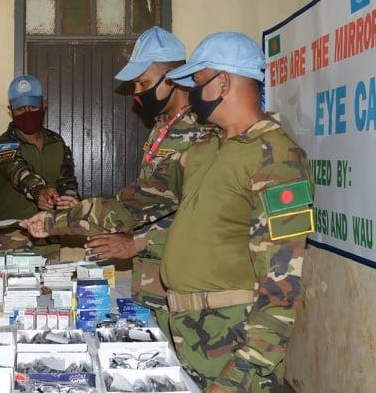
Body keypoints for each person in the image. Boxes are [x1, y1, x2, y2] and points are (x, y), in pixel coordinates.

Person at [22, 32, 314, 392]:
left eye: (198, 81)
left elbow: (281, 282)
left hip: (232, 338)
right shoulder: (202, 151)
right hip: (186, 327)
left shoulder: (278, 158)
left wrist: (243, 373)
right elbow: (130, 206)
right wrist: (53, 222)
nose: (191, 92)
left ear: (223, 82)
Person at [82, 26, 211, 332]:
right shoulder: (162, 127)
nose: (138, 93)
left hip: (186, 285)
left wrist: (137, 242)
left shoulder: (202, 132)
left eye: (144, 83)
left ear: (172, 79)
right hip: (152, 281)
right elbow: (151, 200)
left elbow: (204, 216)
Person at [0, 75, 79, 259]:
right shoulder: (4, 145)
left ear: (43, 105)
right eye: (20, 108)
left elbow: (67, 179)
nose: (27, 112)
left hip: (49, 232)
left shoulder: (56, 142)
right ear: (10, 110)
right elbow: (19, 172)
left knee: (52, 278)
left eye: (32, 106)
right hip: (13, 236)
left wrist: (69, 200)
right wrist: (39, 191)